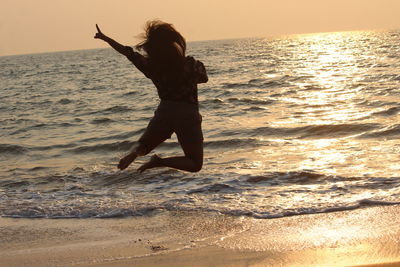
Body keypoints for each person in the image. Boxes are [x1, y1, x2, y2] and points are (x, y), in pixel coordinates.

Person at [94, 20, 208, 173]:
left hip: (165, 111)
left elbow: (128, 53)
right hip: (187, 114)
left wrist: (106, 38)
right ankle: (158, 162)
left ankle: (134, 153)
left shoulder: (152, 66)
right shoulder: (190, 65)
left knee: (144, 145)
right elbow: (204, 78)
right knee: (194, 163)